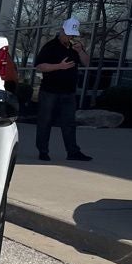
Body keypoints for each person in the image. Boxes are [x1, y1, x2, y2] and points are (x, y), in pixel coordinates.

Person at [34, 18, 92, 162]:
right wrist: (59, 66)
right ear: (62, 31)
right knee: (45, 121)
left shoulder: (75, 48)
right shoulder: (50, 46)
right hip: (50, 91)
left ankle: (73, 152)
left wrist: (80, 51)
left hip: (69, 92)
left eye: (73, 35)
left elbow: (86, 62)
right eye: (68, 34)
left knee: (69, 123)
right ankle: (43, 151)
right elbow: (40, 66)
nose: (70, 38)